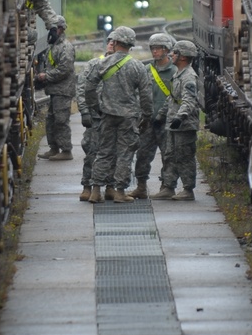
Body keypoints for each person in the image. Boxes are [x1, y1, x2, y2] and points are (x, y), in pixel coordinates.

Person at [84, 26, 151, 203]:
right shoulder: (137, 66)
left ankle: (96, 191)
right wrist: (147, 115)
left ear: (115, 42)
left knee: (103, 152)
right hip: (128, 117)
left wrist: (95, 106)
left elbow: (89, 86)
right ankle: (120, 192)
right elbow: (145, 94)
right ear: (130, 44)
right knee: (125, 153)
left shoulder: (102, 63)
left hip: (106, 114)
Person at [129, 33, 177, 198]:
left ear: (166, 50)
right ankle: (141, 186)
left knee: (169, 155)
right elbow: (136, 93)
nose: (154, 52)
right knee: (142, 154)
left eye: (158, 48)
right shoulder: (146, 70)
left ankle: (168, 187)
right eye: (153, 48)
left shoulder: (175, 71)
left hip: (166, 121)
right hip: (148, 121)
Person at [152, 40, 201, 201]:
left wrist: (180, 117)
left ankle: (188, 189)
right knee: (170, 155)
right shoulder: (178, 74)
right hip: (173, 123)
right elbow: (171, 98)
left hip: (184, 125)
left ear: (183, 57)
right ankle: (168, 187)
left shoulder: (188, 77)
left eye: (174, 53)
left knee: (184, 156)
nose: (171, 55)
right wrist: (161, 115)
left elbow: (189, 101)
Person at [76, 40, 115, 200]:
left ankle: (111, 186)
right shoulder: (94, 64)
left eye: (115, 42)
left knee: (114, 153)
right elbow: (81, 88)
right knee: (92, 151)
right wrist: (84, 111)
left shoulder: (126, 65)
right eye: (110, 42)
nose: (112, 45)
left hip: (114, 117)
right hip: (95, 117)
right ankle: (87, 186)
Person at [36, 15, 76, 161]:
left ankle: (66, 150)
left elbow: (64, 69)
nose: (50, 32)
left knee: (61, 120)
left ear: (60, 29)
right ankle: (54, 148)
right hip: (55, 90)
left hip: (63, 91)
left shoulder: (66, 47)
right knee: (51, 120)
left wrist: (45, 76)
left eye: (52, 29)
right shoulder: (53, 47)